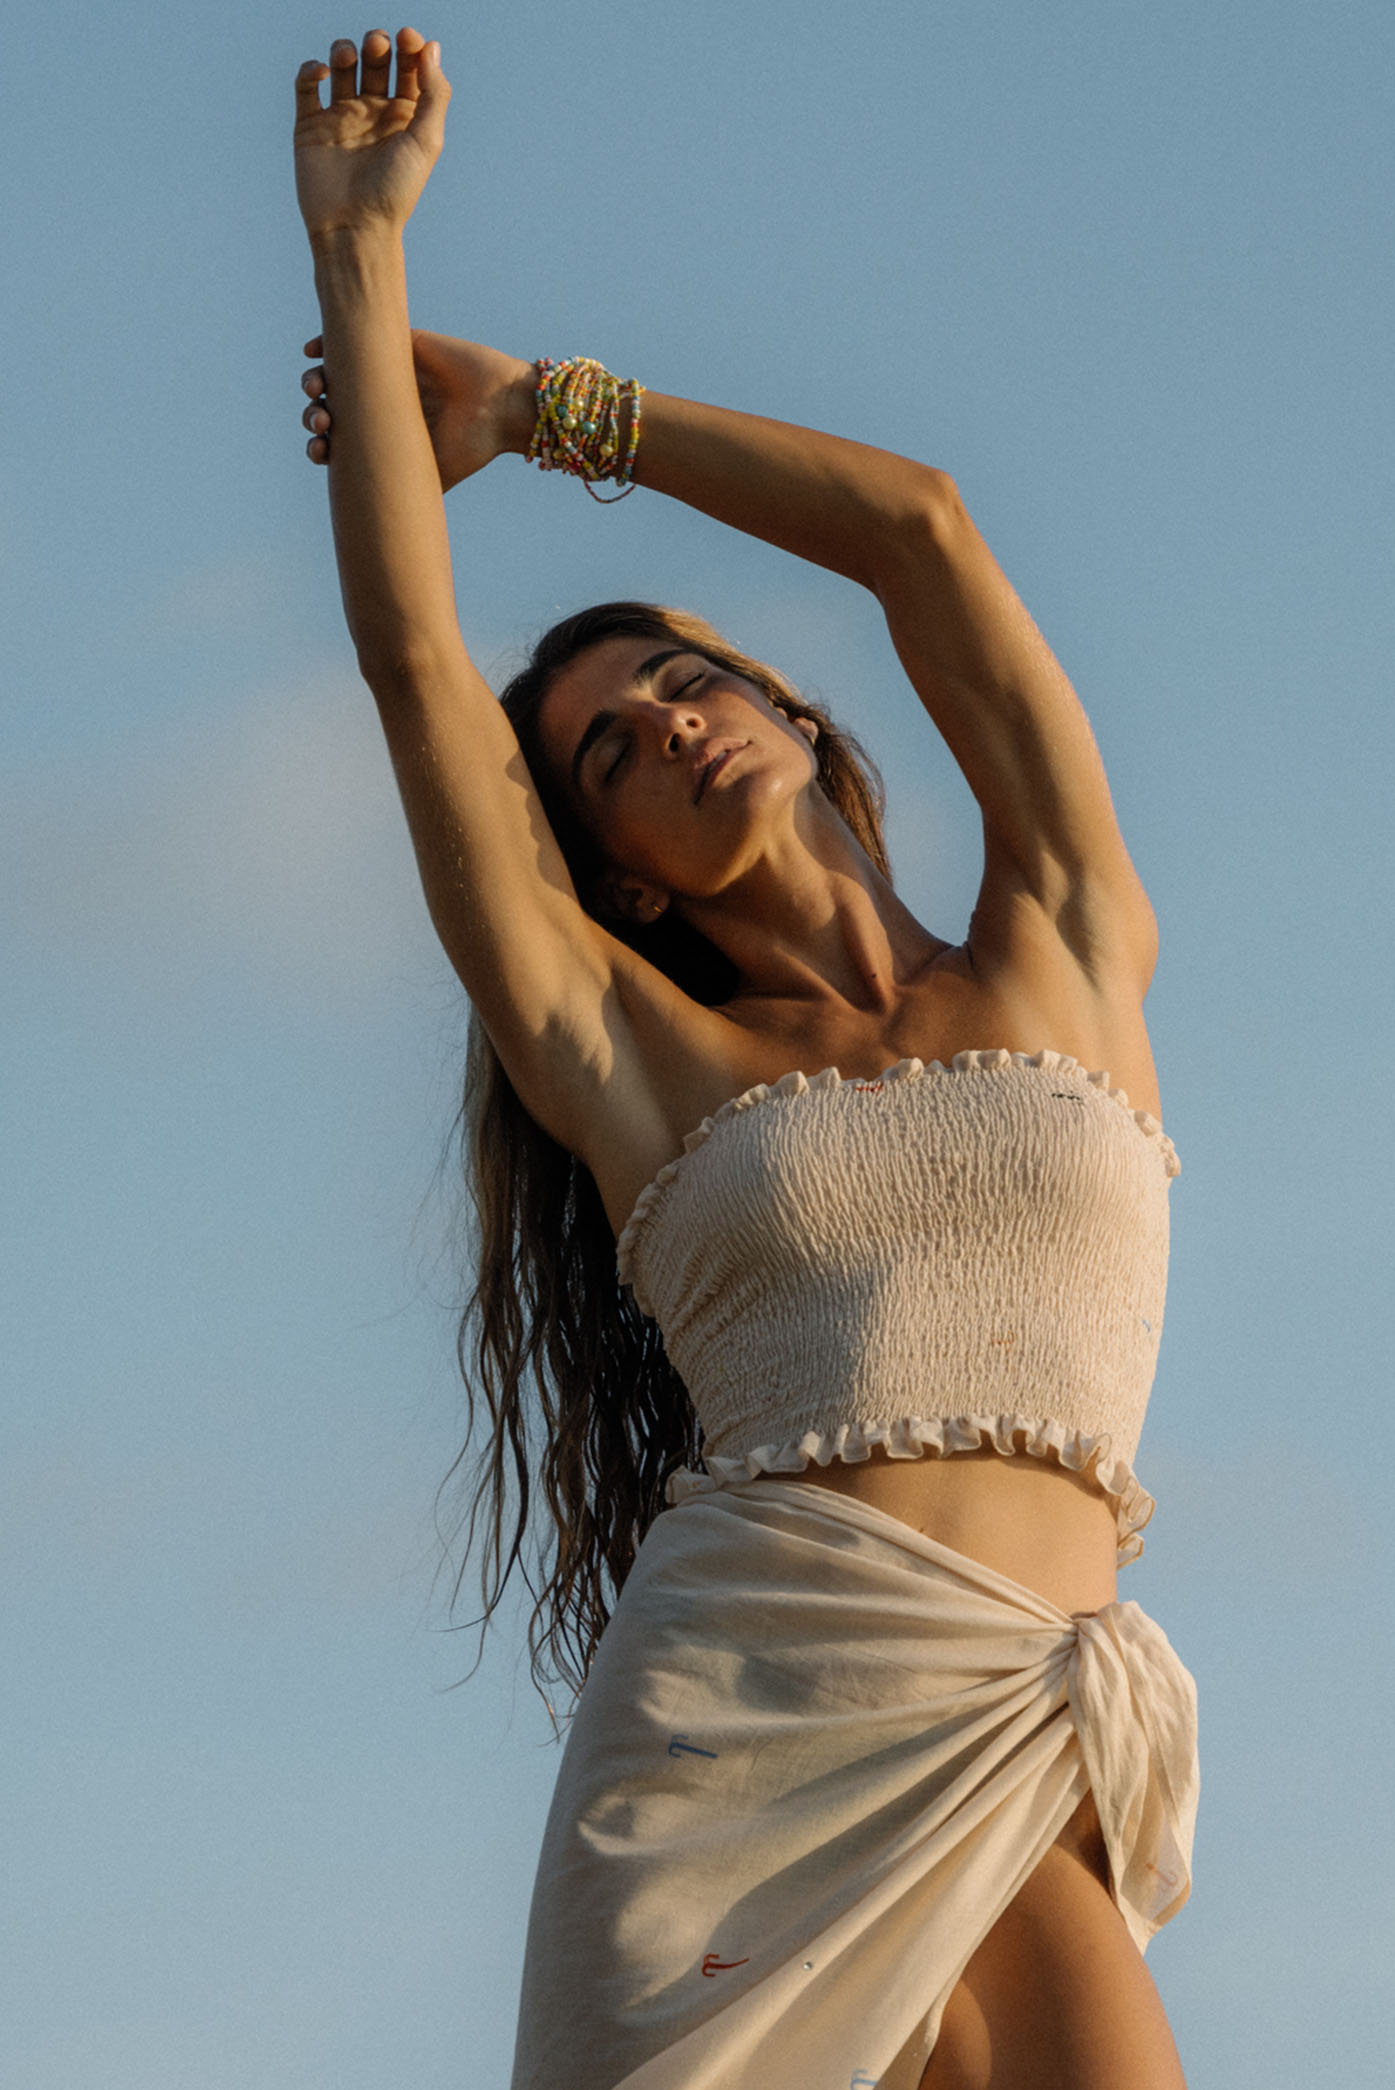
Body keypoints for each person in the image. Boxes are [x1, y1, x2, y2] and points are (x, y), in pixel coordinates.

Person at [294, 29, 1199, 2090]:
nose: (671, 726)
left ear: (789, 706)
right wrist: (359, 253)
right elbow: (416, 667)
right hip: (737, 1749)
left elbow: (925, 531)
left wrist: (543, 412)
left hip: (1004, 1721)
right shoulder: (639, 1063)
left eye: (687, 679)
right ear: (609, 871)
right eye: (609, 752)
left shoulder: (1062, 939)